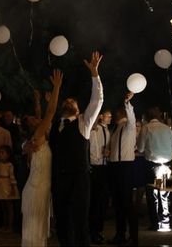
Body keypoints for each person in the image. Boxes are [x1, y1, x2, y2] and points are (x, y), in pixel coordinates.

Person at [49, 51, 104, 247]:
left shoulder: (83, 123)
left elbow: (97, 100)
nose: (70, 101)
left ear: (79, 110)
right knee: (62, 221)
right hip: (59, 178)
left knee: (80, 220)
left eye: (73, 102)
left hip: (79, 177)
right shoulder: (54, 126)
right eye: (67, 101)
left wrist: (95, 74)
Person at [21, 69, 62, 247]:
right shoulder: (37, 136)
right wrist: (56, 88)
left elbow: (41, 113)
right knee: (35, 225)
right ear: (32, 125)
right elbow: (51, 111)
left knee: (35, 226)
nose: (36, 118)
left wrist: (37, 100)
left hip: (37, 186)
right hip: (37, 187)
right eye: (32, 118)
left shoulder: (37, 137)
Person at [137, 106, 172, 233]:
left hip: (152, 165)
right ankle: (166, 219)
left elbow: (141, 148)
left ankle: (155, 223)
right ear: (159, 116)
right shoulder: (167, 128)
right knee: (165, 192)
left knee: (152, 194)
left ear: (148, 117)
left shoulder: (146, 128)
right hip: (167, 164)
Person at [107, 91, 137, 245]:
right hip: (115, 167)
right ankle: (120, 235)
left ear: (121, 113)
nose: (114, 115)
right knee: (118, 203)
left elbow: (132, 117)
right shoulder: (114, 130)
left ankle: (133, 236)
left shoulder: (129, 126)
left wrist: (127, 103)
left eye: (116, 112)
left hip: (126, 166)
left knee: (126, 202)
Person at [88, 108, 111, 244]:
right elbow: (91, 147)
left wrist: (107, 152)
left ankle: (97, 230)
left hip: (104, 166)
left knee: (101, 200)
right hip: (94, 166)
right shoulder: (92, 130)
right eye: (108, 116)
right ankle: (93, 231)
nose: (110, 118)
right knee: (94, 201)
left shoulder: (107, 131)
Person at [0, 145, 20, 232]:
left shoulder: (10, 165)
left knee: (9, 206)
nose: (0, 154)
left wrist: (13, 187)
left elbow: (12, 176)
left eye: (2, 153)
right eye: (0, 153)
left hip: (7, 185)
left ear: (8, 155)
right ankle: (5, 225)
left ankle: (10, 226)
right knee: (3, 206)